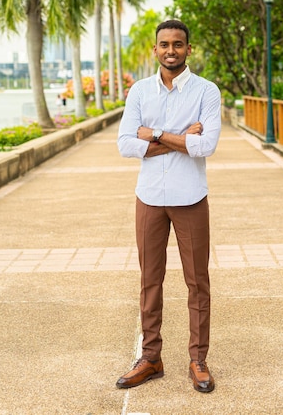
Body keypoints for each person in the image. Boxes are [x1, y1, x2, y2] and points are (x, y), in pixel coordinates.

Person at [116, 19, 221, 393]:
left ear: (188, 49)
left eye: (178, 44)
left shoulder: (206, 92)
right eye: (164, 44)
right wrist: (180, 137)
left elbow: (206, 147)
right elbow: (126, 144)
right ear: (155, 49)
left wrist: (155, 134)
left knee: (197, 282)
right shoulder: (140, 92)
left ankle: (198, 360)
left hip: (190, 196)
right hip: (149, 198)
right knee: (150, 281)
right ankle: (151, 358)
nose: (171, 50)